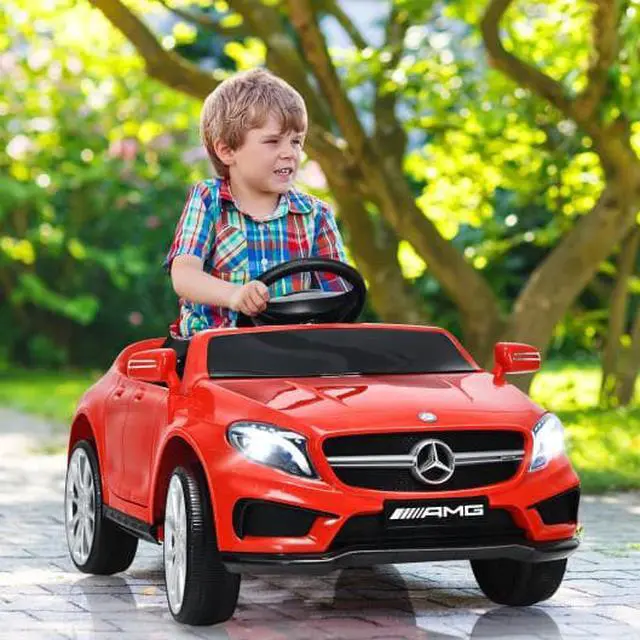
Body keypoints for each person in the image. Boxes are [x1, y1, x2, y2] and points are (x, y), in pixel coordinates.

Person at [164, 68, 349, 339]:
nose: (289, 153)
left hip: (293, 349)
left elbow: (340, 294)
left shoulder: (315, 214)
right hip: (217, 350)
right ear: (227, 150)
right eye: (273, 141)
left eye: (296, 141)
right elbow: (184, 276)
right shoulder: (209, 201)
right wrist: (235, 295)